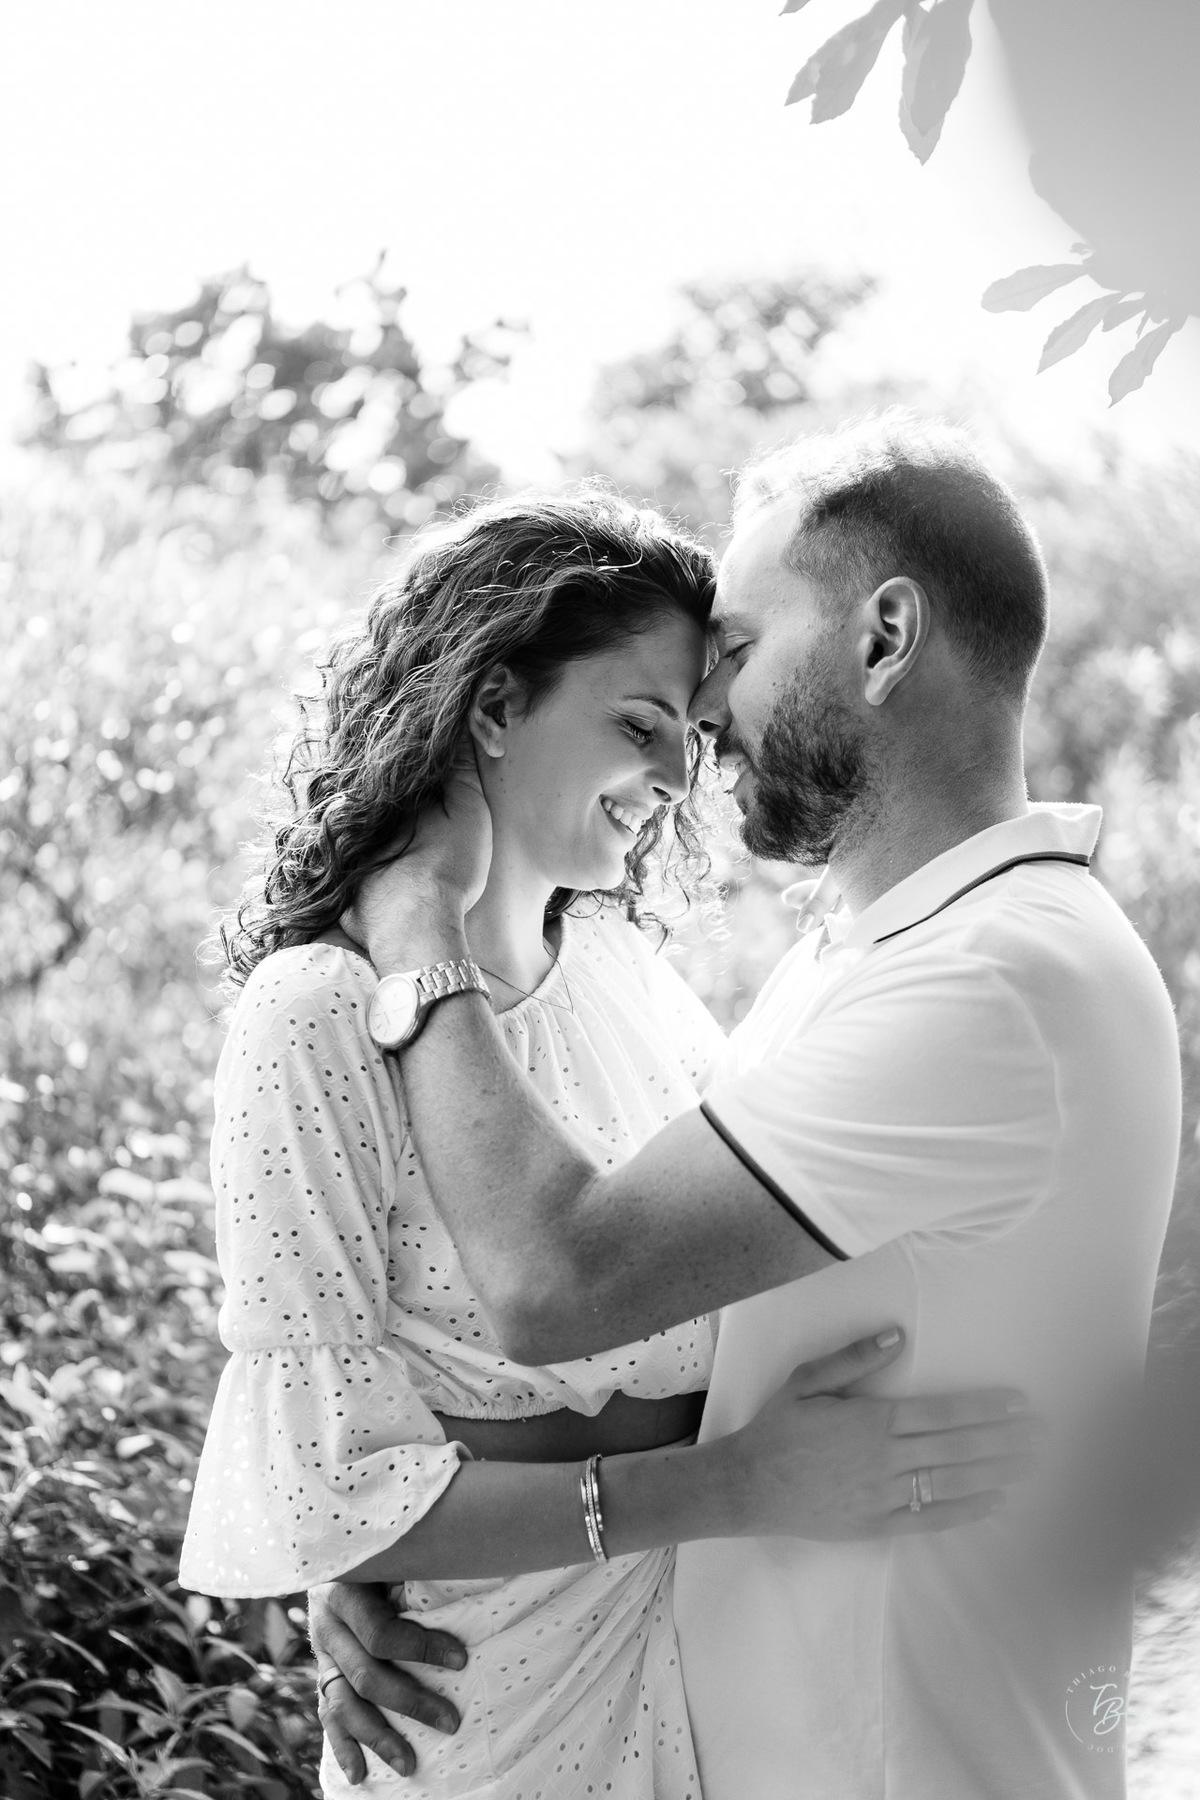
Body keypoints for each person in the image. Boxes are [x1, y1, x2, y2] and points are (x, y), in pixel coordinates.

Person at [313, 420, 1181, 1800]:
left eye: (738, 645)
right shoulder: (871, 953)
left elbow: (556, 1278)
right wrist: (410, 1541)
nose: (705, 713)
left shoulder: (991, 984)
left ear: (884, 637)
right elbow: (716, 1364)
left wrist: (418, 934)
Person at [179, 489, 1030, 1799]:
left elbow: (757, 1245)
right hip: (482, 1717)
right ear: (498, 703)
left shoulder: (622, 972)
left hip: (709, 1670)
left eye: (696, 733)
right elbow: (324, 1492)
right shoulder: (313, 1015)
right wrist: (736, 1483)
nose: (686, 779)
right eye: (642, 726)